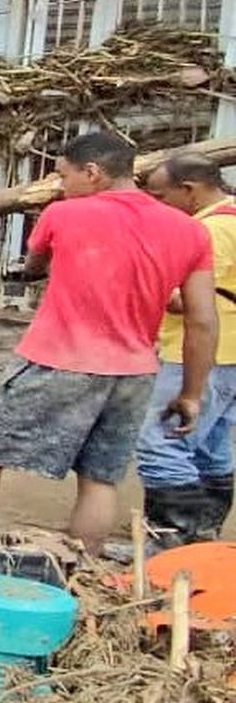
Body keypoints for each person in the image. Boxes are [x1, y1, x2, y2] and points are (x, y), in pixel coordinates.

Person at [0, 132, 218, 554]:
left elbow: (34, 265)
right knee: (100, 478)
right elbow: (201, 318)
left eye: (63, 175)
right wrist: (192, 394)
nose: (60, 185)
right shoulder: (190, 232)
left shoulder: (65, 214)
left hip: (58, 360)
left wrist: (41, 261)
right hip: (134, 374)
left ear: (92, 173)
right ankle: (79, 573)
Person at [132, 154, 236, 548]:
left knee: (161, 443)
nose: (156, 206)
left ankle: (170, 541)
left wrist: (144, 285)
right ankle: (206, 535)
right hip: (229, 354)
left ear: (188, 190)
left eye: (160, 196)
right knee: (211, 446)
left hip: (196, 354)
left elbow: (189, 301)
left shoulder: (210, 230)